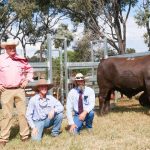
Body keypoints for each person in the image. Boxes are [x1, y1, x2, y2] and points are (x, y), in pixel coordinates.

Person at [0, 38, 33, 147]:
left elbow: (30, 70)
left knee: (22, 114)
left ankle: (24, 136)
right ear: (6, 48)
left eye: (14, 47)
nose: (12, 49)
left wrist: (27, 80)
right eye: (10, 47)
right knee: (6, 115)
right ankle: (3, 138)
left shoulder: (21, 59)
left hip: (19, 89)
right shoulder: (1, 59)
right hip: (6, 91)